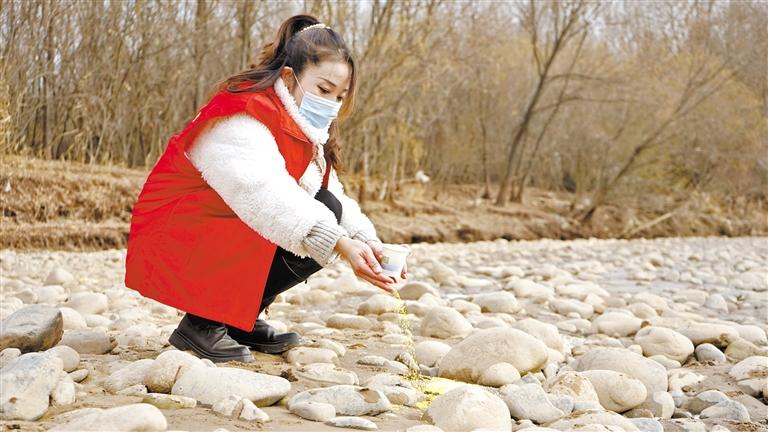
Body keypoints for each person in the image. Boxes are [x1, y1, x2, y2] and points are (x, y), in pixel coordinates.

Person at [124, 14, 409, 364]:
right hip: (180, 228)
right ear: (289, 77)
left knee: (328, 207)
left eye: (340, 96)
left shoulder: (301, 126)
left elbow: (327, 189)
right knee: (310, 222)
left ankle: (238, 319)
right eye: (323, 90)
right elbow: (262, 192)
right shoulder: (241, 114)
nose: (331, 104)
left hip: (225, 222)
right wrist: (339, 243)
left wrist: (368, 243)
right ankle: (201, 324)